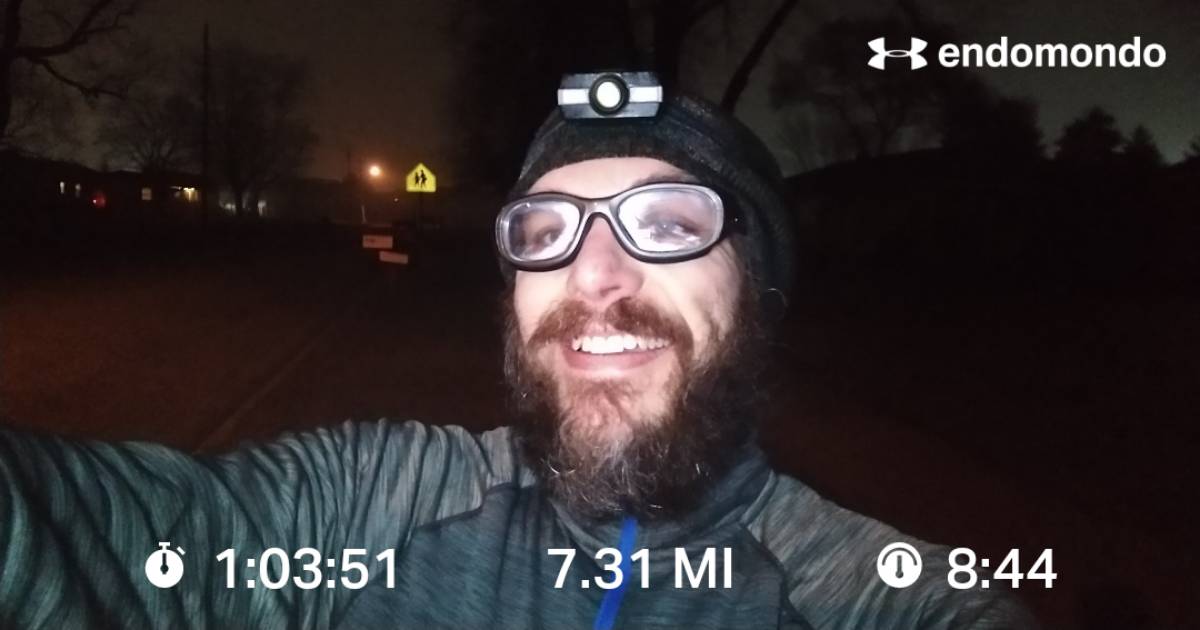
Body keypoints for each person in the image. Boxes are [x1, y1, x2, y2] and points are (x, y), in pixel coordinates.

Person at [0, 73, 1037, 629]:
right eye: (547, 233)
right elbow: (96, 540)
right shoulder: (375, 504)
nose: (596, 276)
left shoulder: (874, 597)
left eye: (668, 224)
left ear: (758, 290)